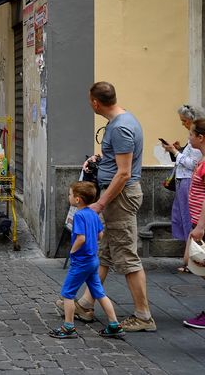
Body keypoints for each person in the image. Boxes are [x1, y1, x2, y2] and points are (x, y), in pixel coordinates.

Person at [63, 81, 155, 332]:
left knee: (126, 255)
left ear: (95, 102)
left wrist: (101, 203)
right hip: (116, 195)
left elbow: (124, 173)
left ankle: (143, 316)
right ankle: (85, 304)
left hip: (120, 197)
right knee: (103, 252)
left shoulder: (121, 128)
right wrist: (100, 159)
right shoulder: (122, 122)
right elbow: (119, 162)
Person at [50, 182, 125, 339]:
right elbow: (100, 235)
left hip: (81, 261)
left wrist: (72, 251)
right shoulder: (93, 213)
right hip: (93, 260)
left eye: (70, 194)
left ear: (77, 200)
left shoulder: (78, 215)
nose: (68, 197)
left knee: (68, 293)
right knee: (99, 292)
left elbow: (81, 238)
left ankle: (68, 327)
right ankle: (114, 324)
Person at [161, 104, 204, 272]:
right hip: (183, 181)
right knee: (184, 218)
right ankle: (190, 259)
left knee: (189, 219)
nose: (183, 125)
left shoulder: (198, 141)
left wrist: (176, 153)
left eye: (185, 121)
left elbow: (193, 164)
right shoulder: (192, 140)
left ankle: (193, 260)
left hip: (188, 181)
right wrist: (179, 150)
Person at [183, 118, 205, 329]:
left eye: (191, 134)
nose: (189, 138)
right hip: (198, 221)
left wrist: (199, 227)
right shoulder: (202, 160)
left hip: (202, 223)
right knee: (195, 262)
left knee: (199, 262)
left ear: (201, 137)